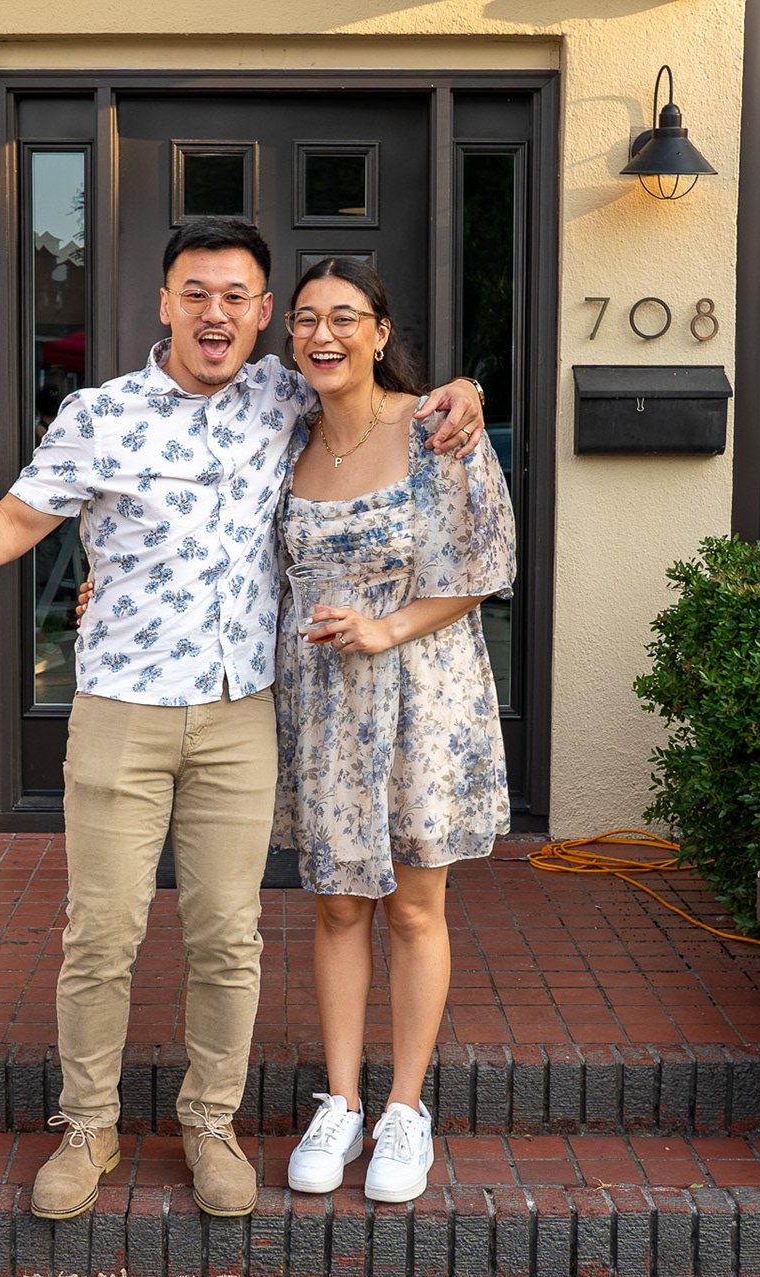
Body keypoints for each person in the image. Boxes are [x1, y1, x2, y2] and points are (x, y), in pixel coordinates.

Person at [0, 217, 486, 1221]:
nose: (214, 313)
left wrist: (466, 389)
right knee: (101, 933)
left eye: (235, 297)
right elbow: (4, 530)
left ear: (262, 315)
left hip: (239, 712)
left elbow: (382, 390)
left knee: (228, 936)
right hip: (122, 709)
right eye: (196, 293)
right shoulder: (98, 414)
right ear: (166, 304)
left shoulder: (285, 396)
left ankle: (211, 1122)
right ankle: (87, 1126)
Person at [271, 257, 516, 1203]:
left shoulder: (435, 429)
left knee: (414, 907)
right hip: (326, 703)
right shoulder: (284, 434)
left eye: (344, 317)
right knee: (336, 905)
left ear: (379, 332)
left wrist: (385, 627)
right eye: (305, 318)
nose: (322, 335)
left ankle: (405, 1109)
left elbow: (483, 567)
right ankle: (340, 1102)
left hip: (422, 694)